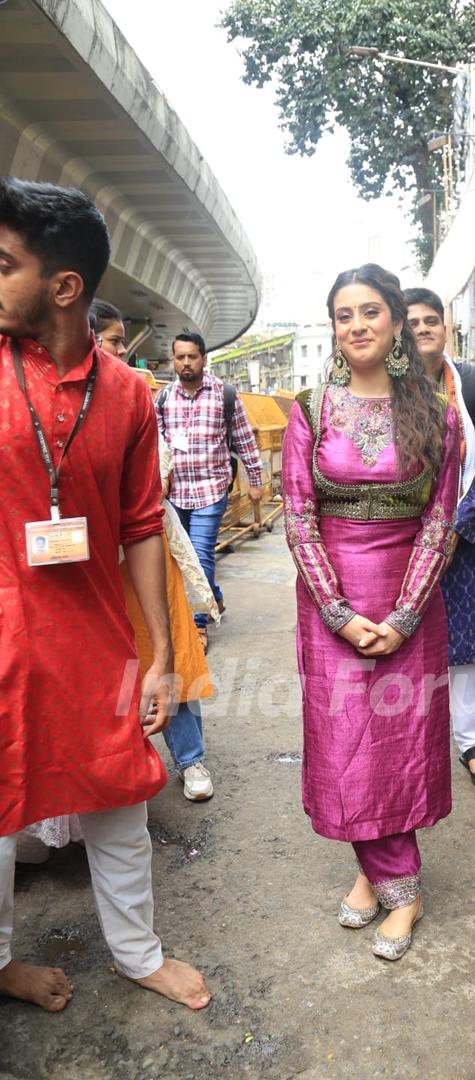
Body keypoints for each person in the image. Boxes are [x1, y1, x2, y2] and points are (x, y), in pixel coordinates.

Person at [0, 176, 209, 1010]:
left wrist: (158, 657)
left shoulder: (127, 395)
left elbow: (141, 527)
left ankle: (137, 952)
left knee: (120, 794)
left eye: (2, 263)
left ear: (63, 287)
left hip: (92, 638)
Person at [283, 264, 460, 961]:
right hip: (330, 600)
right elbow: (297, 516)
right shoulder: (309, 407)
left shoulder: (438, 413)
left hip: (408, 597)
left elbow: (441, 520)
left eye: (369, 312)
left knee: (395, 745)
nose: (355, 325)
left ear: (395, 321)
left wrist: (404, 614)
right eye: (342, 314)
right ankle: (378, 871)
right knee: (344, 745)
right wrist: (336, 610)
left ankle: (400, 889)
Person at [91, 299, 217, 801]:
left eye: (123, 341)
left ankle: (190, 760)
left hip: (145, 549)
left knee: (169, 654)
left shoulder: (135, 395)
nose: (125, 351)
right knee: (105, 670)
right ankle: (120, 767)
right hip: (91, 564)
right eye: (117, 341)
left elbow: (155, 476)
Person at [404, 287, 475, 790]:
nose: (424, 328)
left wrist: (458, 524)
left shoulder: (469, 383)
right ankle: (412, 735)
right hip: (402, 539)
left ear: (445, 328)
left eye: (433, 320)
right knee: (404, 640)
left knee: (467, 649)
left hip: (462, 540)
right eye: (414, 321)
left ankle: (470, 742)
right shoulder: (382, 386)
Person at [156, 332, 264, 652]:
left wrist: (256, 480)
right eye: (180, 357)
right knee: (183, 558)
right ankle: (213, 595)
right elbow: (154, 446)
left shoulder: (224, 395)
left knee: (201, 555)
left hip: (210, 491)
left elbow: (244, 440)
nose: (186, 363)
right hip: (175, 495)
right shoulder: (163, 399)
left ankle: (198, 627)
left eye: (192, 356)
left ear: (204, 358)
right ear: (174, 359)